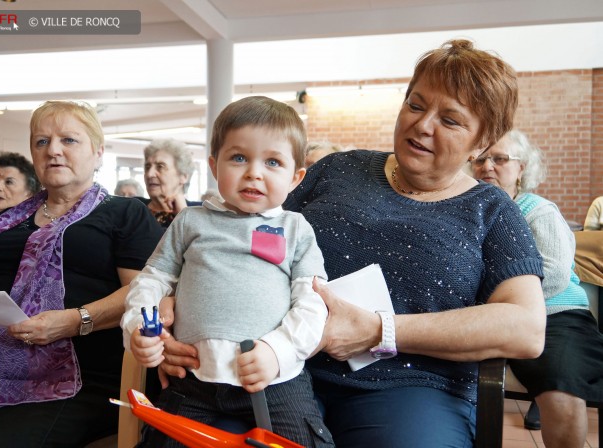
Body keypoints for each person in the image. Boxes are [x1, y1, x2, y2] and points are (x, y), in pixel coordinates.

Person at [158, 39, 547, 448]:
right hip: (275, 367)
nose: (423, 125)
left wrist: (381, 330)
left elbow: (525, 328)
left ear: (482, 142)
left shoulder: (492, 209)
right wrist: (170, 310)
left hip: (407, 387)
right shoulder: (337, 170)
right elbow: (222, 236)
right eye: (415, 105)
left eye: (450, 120)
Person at [0, 100, 164, 447]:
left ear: (98, 153)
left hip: (67, 382)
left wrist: (73, 320)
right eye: (41, 142)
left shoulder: (125, 214)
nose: (53, 150)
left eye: (69, 140)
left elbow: (144, 291)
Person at [122, 96, 333, 447]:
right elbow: (152, 282)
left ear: (296, 177)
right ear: (213, 165)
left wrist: (278, 351)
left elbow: (313, 302)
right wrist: (140, 329)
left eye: (272, 162)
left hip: (274, 379)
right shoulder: (191, 221)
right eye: (238, 158)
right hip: (191, 380)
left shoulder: (296, 228)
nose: (254, 172)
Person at [471, 130, 603, 448]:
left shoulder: (537, 211)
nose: (488, 166)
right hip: (489, 315)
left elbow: (555, 274)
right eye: (481, 159)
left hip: (555, 314)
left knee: (561, 387)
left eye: (500, 159)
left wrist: (494, 299)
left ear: (522, 168)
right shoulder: (468, 212)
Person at [141, 139, 199, 227]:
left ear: (183, 176)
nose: (150, 174)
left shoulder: (200, 212)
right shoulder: (133, 209)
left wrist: (183, 213)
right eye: (147, 167)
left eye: (160, 166)